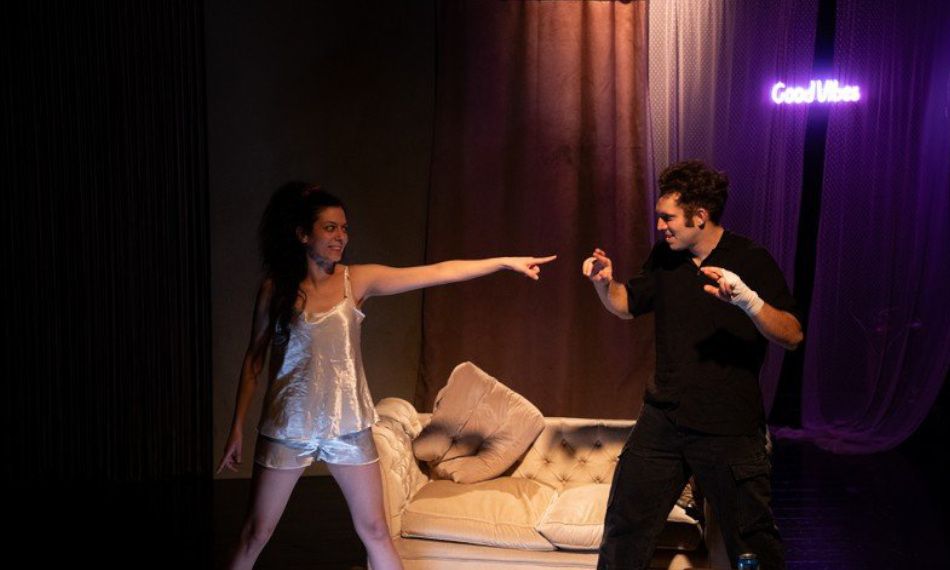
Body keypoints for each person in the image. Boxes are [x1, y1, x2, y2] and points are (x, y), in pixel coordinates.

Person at [218, 182, 556, 570]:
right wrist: (237, 427)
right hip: (287, 426)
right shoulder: (275, 290)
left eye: (344, 228)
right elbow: (254, 361)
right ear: (303, 234)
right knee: (256, 533)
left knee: (376, 531)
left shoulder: (357, 280)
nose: (341, 236)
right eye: (330, 228)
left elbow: (437, 272)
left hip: (347, 427)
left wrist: (502, 262)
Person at [582, 160, 802, 569]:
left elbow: (792, 335)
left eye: (668, 218)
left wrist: (748, 301)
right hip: (663, 420)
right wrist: (603, 283)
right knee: (624, 530)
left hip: (729, 425)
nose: (660, 226)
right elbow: (627, 304)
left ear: (700, 216)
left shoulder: (751, 259)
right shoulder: (665, 258)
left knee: (752, 542)